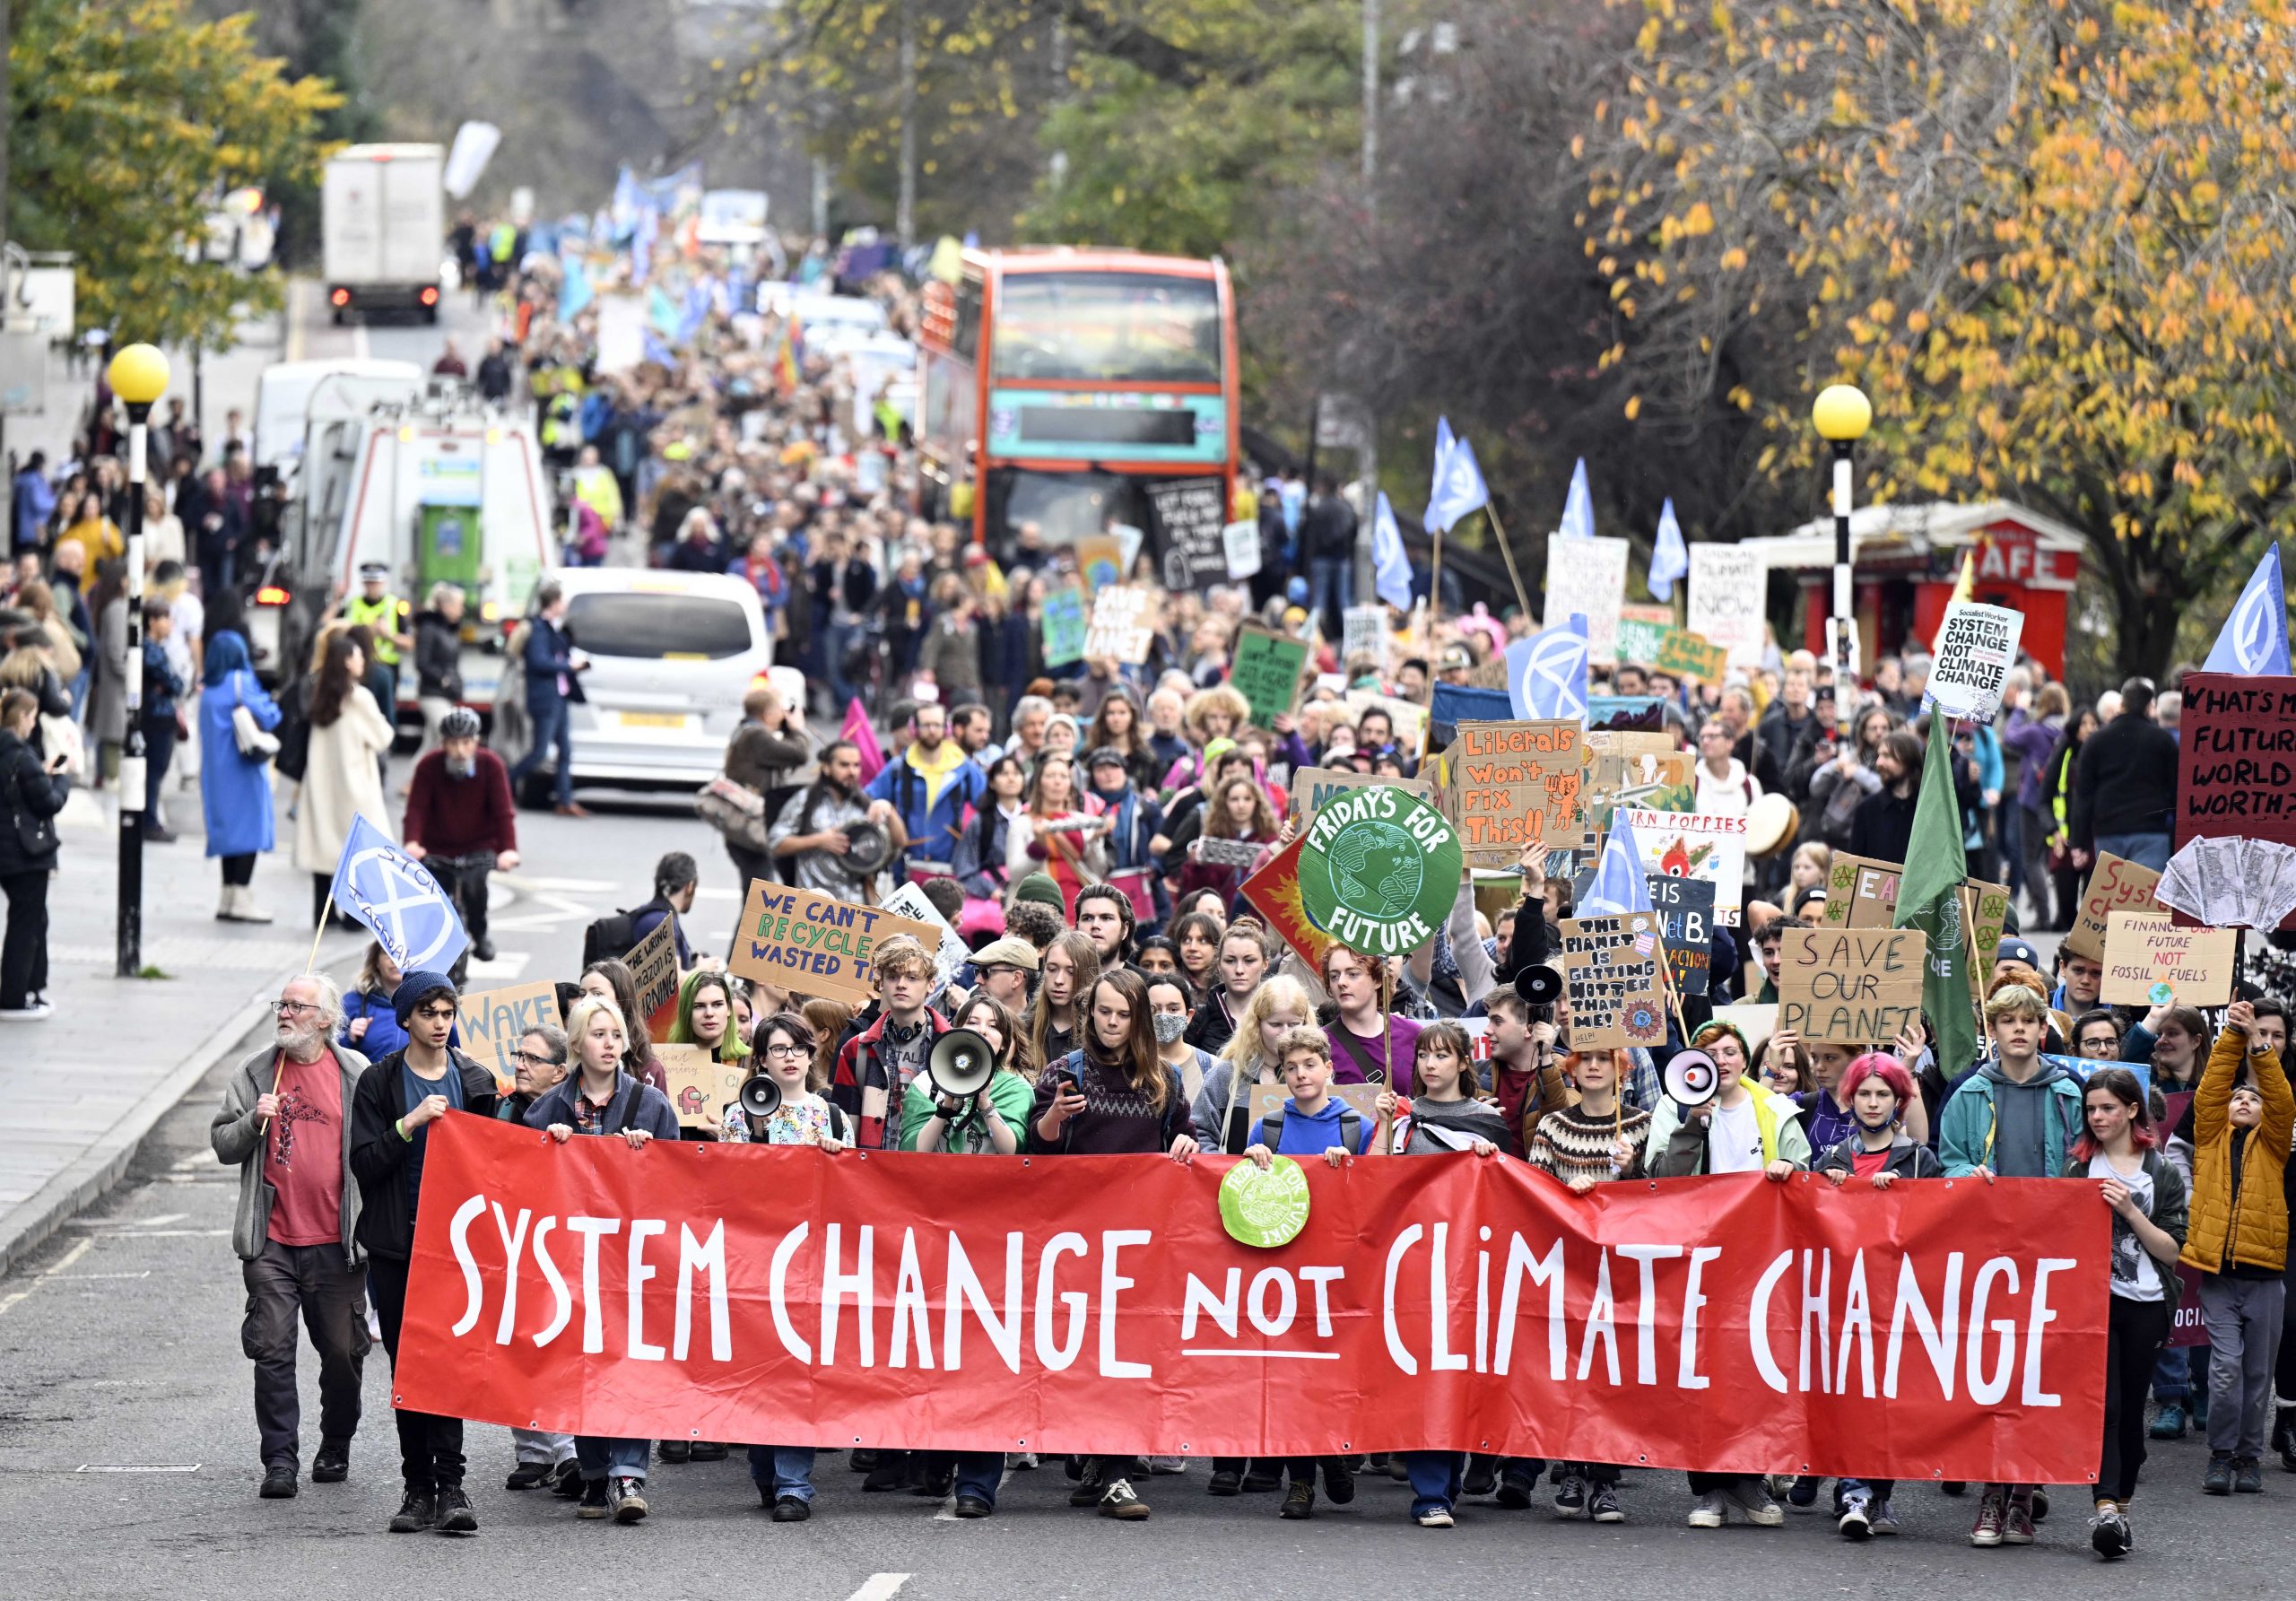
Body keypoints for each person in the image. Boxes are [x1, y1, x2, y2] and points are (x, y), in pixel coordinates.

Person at [1029, 969, 1199, 1520]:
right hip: (1074, 1239)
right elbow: (1035, 1150)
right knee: (1082, 1353)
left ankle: (1116, 1472)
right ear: (1090, 1013)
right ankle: (1094, 1459)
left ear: (1139, 1019)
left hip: (1138, 1242)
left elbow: (1184, 1136)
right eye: (1103, 1011)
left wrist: (1185, 1145)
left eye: (1123, 1014)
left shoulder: (1164, 1078)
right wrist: (1054, 1116)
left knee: (1126, 1356)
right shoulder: (1065, 1071)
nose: (1111, 1022)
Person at [209, 973, 371, 1500]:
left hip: (337, 1242)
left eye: (298, 1006)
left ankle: (336, 1443)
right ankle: (279, 1460)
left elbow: (378, 1149)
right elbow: (223, 1144)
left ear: (326, 1020)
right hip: (272, 1241)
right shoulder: (256, 1072)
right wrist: (251, 1122)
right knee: (272, 1351)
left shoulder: (356, 1072)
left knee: (343, 1354)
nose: (285, 1013)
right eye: (282, 1004)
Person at [347, 970, 497, 1535]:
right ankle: (417, 1489)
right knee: (408, 1366)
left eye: (447, 1013)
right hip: (398, 1243)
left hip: (457, 1246)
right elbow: (364, 1163)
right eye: (428, 1013)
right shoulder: (380, 1082)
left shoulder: (475, 1079)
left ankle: (452, 1487)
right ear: (406, 1018)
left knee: (450, 1363)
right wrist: (408, 1124)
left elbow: (503, 1158)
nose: (439, 1024)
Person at [525, 994, 680, 1522]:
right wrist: (546, 1146)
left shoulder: (651, 1105)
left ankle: (628, 1473)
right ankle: (594, 1474)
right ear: (576, 1043)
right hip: (570, 1263)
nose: (610, 1044)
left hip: (632, 1261)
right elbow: (523, 1186)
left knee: (631, 1362)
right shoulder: (547, 1109)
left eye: (616, 1034)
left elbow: (682, 1184)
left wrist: (650, 1156)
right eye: (598, 1034)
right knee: (582, 1364)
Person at [1940, 982, 2083, 1545]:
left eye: (2028, 1021)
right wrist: (1965, 1175)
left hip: (2053, 1253)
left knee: (2038, 1374)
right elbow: (1948, 1161)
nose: (2018, 1029)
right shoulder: (1969, 1093)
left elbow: (2088, 1159)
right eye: (2007, 1021)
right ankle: (1991, 1495)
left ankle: (2023, 1496)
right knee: (1993, 1373)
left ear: (2043, 1029)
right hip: (1990, 1254)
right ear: (1992, 1031)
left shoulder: (2069, 1091)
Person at [1236, 1027, 1372, 1519]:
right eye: (1290, 1068)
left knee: (1331, 1372)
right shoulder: (1267, 1128)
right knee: (1291, 1375)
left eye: (1309, 1065)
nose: (1300, 1075)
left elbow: (1377, 1195)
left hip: (1339, 1271)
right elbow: (1245, 1195)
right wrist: (1250, 1160)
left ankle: (1333, 1453)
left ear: (1329, 1069)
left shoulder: (1357, 1127)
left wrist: (1350, 1168)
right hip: (1284, 1267)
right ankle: (1300, 1482)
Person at [718, 1010, 849, 1518]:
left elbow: (853, 1195)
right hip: (753, 1258)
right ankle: (766, 1471)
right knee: (760, 1370)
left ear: (811, 1056)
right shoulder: (737, 1116)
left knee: (798, 1370)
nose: (789, 1057)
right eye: (778, 1049)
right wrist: (755, 1135)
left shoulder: (830, 1116)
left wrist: (836, 1161)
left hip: (808, 1259)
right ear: (762, 1060)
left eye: (797, 1048)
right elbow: (724, 1189)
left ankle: (795, 1483)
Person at [1813, 1053, 1944, 1539]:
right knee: (1853, 1396)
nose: (1872, 1103)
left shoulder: (1919, 1160)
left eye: (1882, 1094)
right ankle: (1854, 1493)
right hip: (1845, 1298)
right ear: (1850, 1099)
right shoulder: (1832, 1158)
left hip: (1898, 1297)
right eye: (1864, 1094)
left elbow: (1940, 1223)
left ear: (1898, 1101)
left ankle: (1878, 1494)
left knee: (1888, 1397)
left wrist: (1903, 1196)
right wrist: (1824, 1186)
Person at [1525, 1042, 1652, 1524]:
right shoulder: (1554, 1126)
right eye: (1586, 1060)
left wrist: (1633, 1170)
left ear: (1622, 1069)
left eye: (1604, 1059)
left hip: (1623, 1270)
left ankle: (1604, 1480)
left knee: (1612, 1374)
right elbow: (1534, 1193)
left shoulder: (1642, 1124)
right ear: (1572, 1070)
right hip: (1569, 1267)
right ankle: (1574, 1468)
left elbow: (1665, 1195)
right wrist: (1566, 1193)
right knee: (1572, 1371)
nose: (1595, 1067)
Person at [2072, 1065, 2187, 1559]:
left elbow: (2172, 1251)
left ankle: (2121, 1507)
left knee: (2133, 1405)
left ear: (2133, 1110)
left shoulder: (2160, 1172)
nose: (2098, 1117)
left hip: (2147, 1304)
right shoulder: (2079, 1168)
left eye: (2108, 1108)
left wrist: (2130, 1210)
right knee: (2108, 1406)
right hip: (2094, 1305)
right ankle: (2105, 1509)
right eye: (2091, 1109)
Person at [2184, 998, 2293, 1496]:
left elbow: (2281, 1100)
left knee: (2257, 1375)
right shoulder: (2209, 1136)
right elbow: (2211, 1088)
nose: (2245, 1100)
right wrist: (2231, 1034)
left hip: (2265, 1277)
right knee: (2226, 1370)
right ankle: (2221, 1454)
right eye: (2238, 1097)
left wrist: (2258, 1044)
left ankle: (2249, 1457)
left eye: (2253, 1098)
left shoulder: (2274, 1143)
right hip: (2220, 1278)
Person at [491, 1022, 579, 1495]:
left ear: (560, 1072)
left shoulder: (575, 1112)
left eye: (532, 1058)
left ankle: (568, 1450)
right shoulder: (502, 1108)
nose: (521, 1065)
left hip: (562, 1243)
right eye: (518, 1056)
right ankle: (532, 1450)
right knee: (518, 1340)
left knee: (559, 1342)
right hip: (512, 1239)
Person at [401, 707, 518, 968]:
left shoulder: (492, 765)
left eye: (466, 743)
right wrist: (412, 842)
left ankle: (479, 932)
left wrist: (508, 850)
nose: (460, 751)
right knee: (435, 899)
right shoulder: (428, 766)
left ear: (476, 742)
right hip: (437, 846)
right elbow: (416, 809)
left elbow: (503, 813)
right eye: (453, 743)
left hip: (479, 844)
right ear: (443, 743)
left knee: (476, 886)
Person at [293, 630, 396, 927]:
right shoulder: (359, 697)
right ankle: (353, 916)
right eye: (358, 656)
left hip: (321, 783)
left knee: (324, 846)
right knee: (357, 851)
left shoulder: (321, 693)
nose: (363, 660)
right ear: (347, 661)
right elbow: (383, 736)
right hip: (355, 785)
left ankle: (321, 914)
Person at [828, 934, 949, 1151]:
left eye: (912, 978)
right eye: (893, 977)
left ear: (931, 985)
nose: (901, 984)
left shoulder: (952, 1046)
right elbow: (845, 1131)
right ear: (880, 982)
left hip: (934, 1164)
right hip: (874, 1165)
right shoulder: (856, 1049)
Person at [198, 631, 281, 923]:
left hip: (215, 772)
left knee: (229, 834)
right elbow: (270, 716)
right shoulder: (240, 681)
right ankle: (242, 898)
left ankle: (227, 896)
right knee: (249, 833)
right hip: (242, 769)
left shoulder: (208, 689)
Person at [0, 688, 69, 1018]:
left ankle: (31, 990)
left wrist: (40, 773)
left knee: (31, 920)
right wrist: (61, 780)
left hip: (7, 851)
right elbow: (48, 803)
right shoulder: (23, 757)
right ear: (23, 717)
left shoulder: (12, 755)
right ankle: (15, 996)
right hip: (25, 854)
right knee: (26, 925)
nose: (34, 723)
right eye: (32, 716)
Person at [1194, 973, 1317, 1156]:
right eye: (1276, 1024)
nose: (1286, 1033)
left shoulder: (1316, 1076)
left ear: (1305, 1022)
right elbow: (1199, 1133)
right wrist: (1227, 1168)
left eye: (1294, 1024)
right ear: (1256, 1024)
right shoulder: (1227, 1074)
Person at [718, 681, 810, 922]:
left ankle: (741, 946)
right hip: (750, 830)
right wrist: (797, 729)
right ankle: (742, 947)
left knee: (755, 898)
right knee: (756, 901)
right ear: (769, 714)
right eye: (780, 710)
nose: (784, 714)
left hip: (745, 827)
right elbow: (798, 754)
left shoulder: (746, 731)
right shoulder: (756, 735)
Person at [769, 738, 903, 901]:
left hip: (856, 906)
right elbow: (775, 843)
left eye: (856, 765)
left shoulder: (866, 804)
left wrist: (889, 811)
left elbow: (898, 844)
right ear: (826, 767)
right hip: (813, 904)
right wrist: (819, 840)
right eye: (844, 765)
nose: (852, 771)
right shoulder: (805, 801)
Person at [2072, 676, 2180, 872]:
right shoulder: (2163, 741)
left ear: (2122, 704)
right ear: (2149, 707)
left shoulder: (2096, 741)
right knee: (2144, 890)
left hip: (2108, 830)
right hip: (2150, 831)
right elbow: (2176, 791)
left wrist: (2078, 840)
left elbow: (2083, 794)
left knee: (2112, 891)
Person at [509, 581, 589, 817]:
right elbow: (538, 662)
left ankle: (565, 799)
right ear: (553, 603)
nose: (565, 605)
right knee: (539, 752)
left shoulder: (553, 628)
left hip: (559, 697)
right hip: (545, 699)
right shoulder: (539, 629)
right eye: (562, 601)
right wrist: (569, 666)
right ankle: (503, 782)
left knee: (565, 750)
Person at [1323, 944, 1422, 1091]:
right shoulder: (1320, 1044)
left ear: (1378, 980)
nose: (1341, 982)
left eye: (1353, 974)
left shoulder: (1412, 1034)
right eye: (1334, 976)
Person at [1183, 918, 1269, 1054]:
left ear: (1265, 964)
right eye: (1230, 961)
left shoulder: (1279, 1015)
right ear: (1218, 965)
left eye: (1249, 961)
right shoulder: (1197, 1018)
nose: (1239, 970)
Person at [1026, 929, 1099, 1073]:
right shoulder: (1025, 1027)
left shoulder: (1099, 1033)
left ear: (1088, 975)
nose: (1059, 980)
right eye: (1052, 969)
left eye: (1071, 972)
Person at [1847, 727, 1923, 865]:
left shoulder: (1926, 808)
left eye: (1887, 756)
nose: (1879, 763)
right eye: (1879, 756)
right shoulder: (1867, 809)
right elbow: (1853, 865)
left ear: (1908, 760)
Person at [340, 562, 412, 704]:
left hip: (387, 667)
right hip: (357, 667)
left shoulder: (394, 605)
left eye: (375, 583)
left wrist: (388, 635)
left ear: (383, 583)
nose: (372, 587)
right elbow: (333, 631)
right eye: (369, 583)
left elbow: (409, 643)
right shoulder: (352, 605)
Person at [411, 584, 466, 762]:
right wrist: (443, 679)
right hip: (432, 693)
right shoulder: (429, 628)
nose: (462, 610)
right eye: (459, 605)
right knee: (449, 734)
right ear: (446, 606)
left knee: (431, 744)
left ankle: (415, 774)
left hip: (446, 693)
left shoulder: (448, 629)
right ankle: (453, 774)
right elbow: (421, 662)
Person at [338, 943, 409, 1061]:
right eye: (387, 952)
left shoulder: (427, 1003)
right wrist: (348, 1038)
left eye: (403, 952)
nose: (395, 959)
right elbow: (329, 1052)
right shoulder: (353, 1002)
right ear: (376, 962)